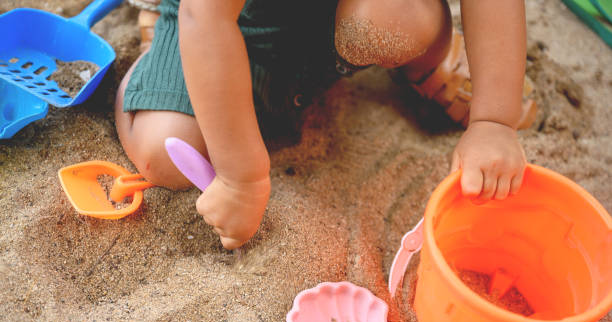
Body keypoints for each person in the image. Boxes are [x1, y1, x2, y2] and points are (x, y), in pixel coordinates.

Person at [116, 0, 537, 250]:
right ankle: (155, 53)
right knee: (164, 150)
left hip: (343, 15)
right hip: (228, 20)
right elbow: (205, 18)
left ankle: (430, 62)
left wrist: (493, 120)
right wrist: (241, 177)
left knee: (398, 20)